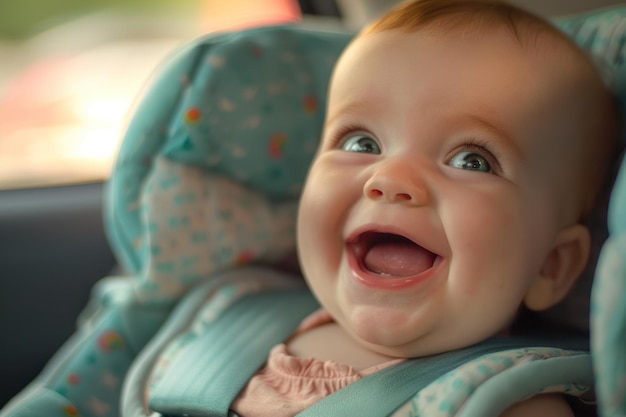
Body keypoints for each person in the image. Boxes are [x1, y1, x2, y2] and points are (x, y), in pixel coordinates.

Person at [230, 0, 619, 416]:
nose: (390, 180)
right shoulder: (231, 316)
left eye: (472, 160)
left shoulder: (507, 404)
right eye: (361, 143)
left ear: (551, 265)